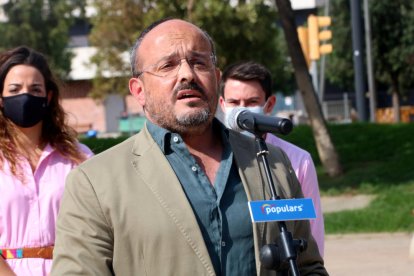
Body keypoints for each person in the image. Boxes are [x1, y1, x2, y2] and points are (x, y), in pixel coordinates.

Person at [51, 18, 328, 275]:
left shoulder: (272, 163)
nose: (187, 74)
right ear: (139, 91)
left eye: (199, 62)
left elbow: (307, 267)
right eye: (167, 65)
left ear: (216, 79)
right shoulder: (94, 183)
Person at [0, 46, 93, 276]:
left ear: (48, 96)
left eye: (35, 89)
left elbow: (97, 227)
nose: (25, 95)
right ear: (1, 99)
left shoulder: (79, 157)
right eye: (14, 89)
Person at [219, 61, 325, 256]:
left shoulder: (298, 160)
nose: (242, 111)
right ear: (222, 105)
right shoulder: (212, 156)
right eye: (234, 102)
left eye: (252, 102)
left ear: (270, 104)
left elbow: (312, 234)